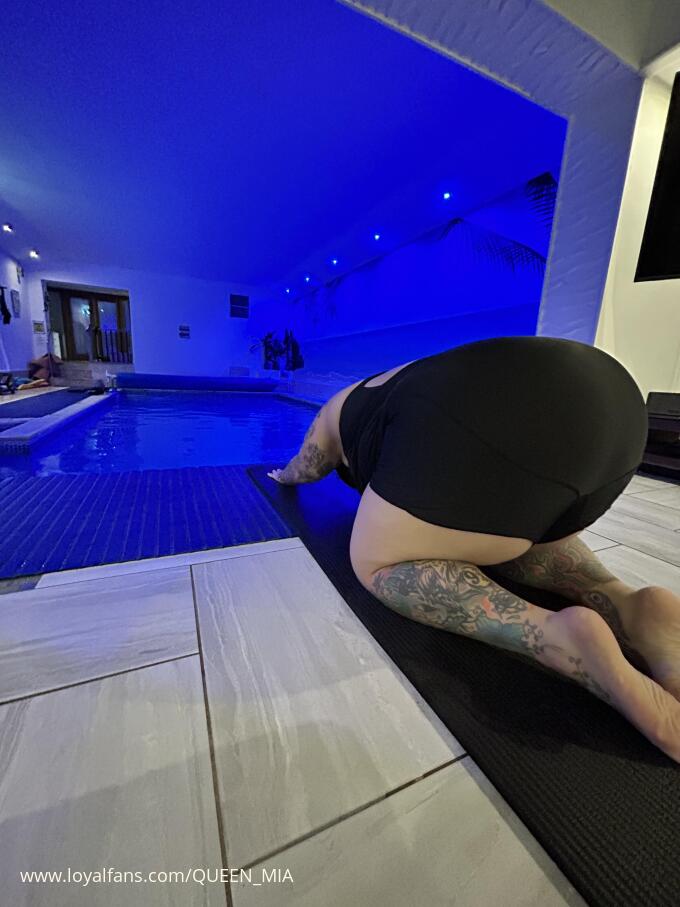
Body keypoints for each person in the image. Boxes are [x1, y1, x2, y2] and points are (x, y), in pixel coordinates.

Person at [268, 335, 680, 763]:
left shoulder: (337, 407)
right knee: (515, 534)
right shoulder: (408, 379)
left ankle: (554, 635)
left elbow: (307, 466)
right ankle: (628, 603)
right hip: (616, 408)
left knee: (373, 561)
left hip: (475, 422)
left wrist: (284, 476)